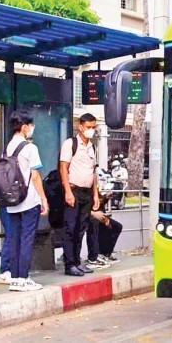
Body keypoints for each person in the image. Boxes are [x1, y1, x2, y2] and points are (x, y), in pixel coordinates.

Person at [5, 110, 49, 292]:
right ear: (24, 127)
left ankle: (15, 278)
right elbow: (35, 176)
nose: (32, 128)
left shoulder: (8, 146)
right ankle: (23, 277)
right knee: (27, 239)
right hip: (29, 199)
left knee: (14, 239)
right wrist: (43, 199)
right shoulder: (30, 148)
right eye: (31, 125)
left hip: (12, 200)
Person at [59, 113, 100, 277]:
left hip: (87, 192)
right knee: (70, 227)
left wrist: (95, 194)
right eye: (89, 127)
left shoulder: (92, 147)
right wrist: (68, 192)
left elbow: (93, 172)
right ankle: (69, 264)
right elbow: (63, 168)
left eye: (94, 127)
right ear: (80, 126)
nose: (91, 130)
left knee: (81, 228)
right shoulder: (71, 144)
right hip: (73, 190)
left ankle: (77, 261)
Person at [85, 195, 123, 269]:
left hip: (98, 214)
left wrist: (105, 198)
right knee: (94, 225)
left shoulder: (95, 192)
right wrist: (94, 214)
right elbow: (82, 208)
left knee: (116, 226)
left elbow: (98, 203)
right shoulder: (85, 192)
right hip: (88, 215)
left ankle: (105, 253)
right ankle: (93, 258)